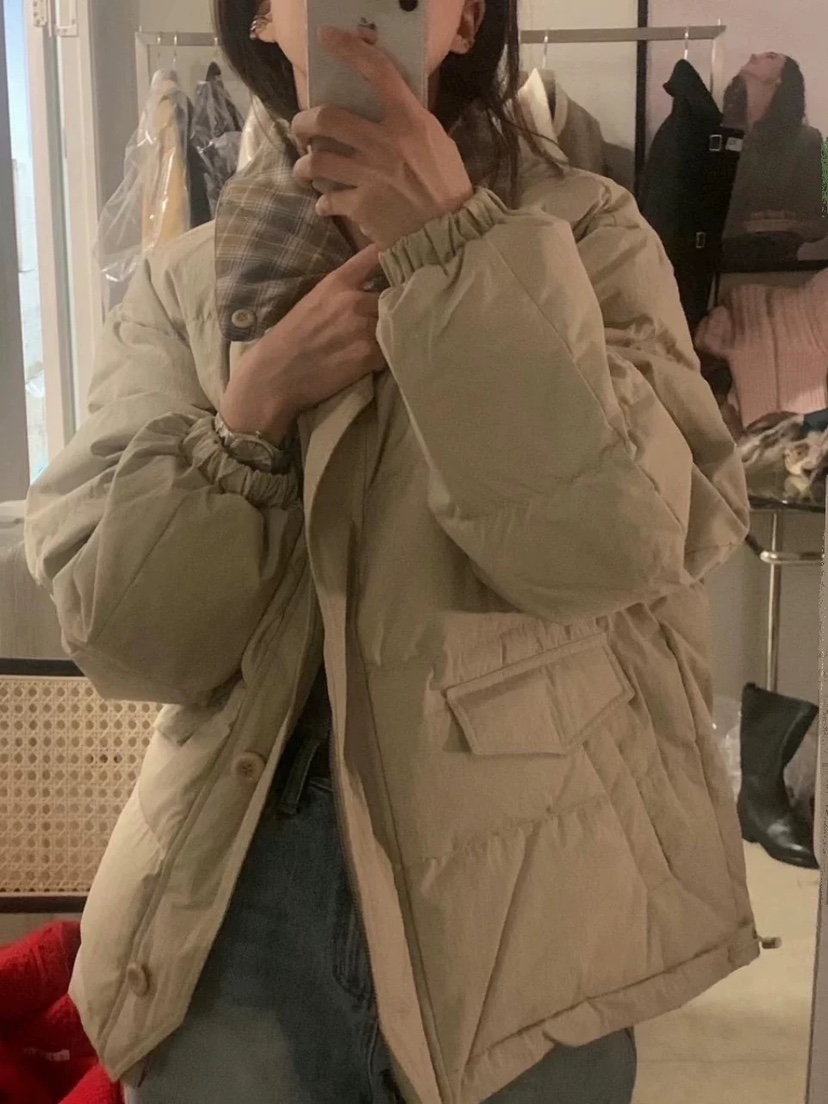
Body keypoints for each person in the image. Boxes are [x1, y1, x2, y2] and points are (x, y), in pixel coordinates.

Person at [24, 1, 760, 1101]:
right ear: (261, 18)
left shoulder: (589, 234)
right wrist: (253, 407)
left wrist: (457, 250)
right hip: (242, 890)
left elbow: (616, 545)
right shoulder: (189, 284)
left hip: (533, 888)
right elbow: (127, 639)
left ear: (465, 22)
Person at [722, 52, 827, 268]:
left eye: (770, 57)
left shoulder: (807, 140)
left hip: (776, 266)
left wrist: (781, 228)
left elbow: (819, 219)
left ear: (780, 79)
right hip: (719, 260)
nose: (754, 55)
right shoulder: (722, 133)